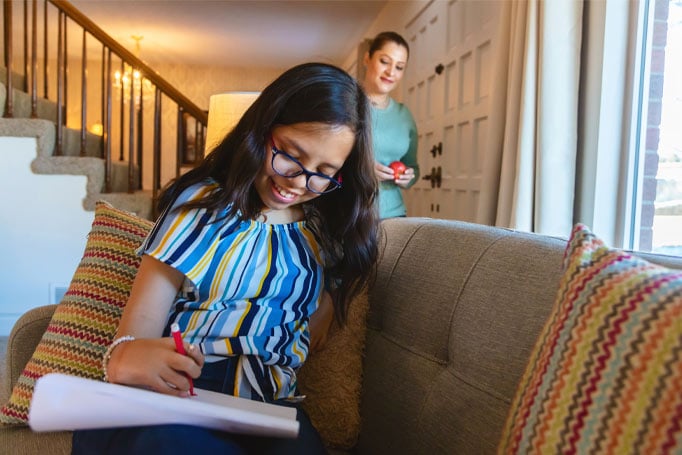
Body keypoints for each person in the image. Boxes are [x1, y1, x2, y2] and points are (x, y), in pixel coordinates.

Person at [71, 62, 379, 454]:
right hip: (189, 392)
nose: (298, 182)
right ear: (261, 130)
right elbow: (130, 341)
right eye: (289, 155)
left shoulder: (326, 232)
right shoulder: (201, 206)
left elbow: (350, 266)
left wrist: (332, 300)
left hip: (272, 408)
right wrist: (129, 357)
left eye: (323, 172)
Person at [362, 31, 419, 219]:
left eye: (400, 67)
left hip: (394, 216)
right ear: (367, 58)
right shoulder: (345, 106)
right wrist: (361, 169)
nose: (391, 72)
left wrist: (408, 177)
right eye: (384, 61)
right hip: (351, 215)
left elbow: (413, 167)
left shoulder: (404, 116)